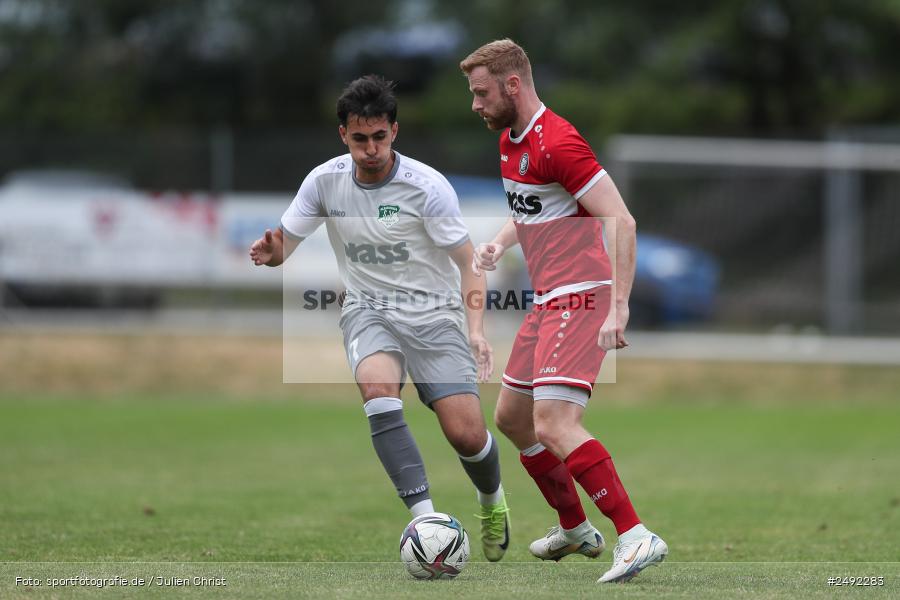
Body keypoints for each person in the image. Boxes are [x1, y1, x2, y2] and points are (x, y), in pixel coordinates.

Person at [249, 75, 510, 561]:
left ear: (395, 131)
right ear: (343, 135)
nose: (370, 149)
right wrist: (273, 252)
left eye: (379, 137)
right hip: (368, 310)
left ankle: (492, 502)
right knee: (377, 391)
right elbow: (284, 243)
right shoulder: (324, 181)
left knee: (466, 435)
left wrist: (476, 332)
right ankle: (427, 523)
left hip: (433, 315)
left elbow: (470, 263)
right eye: (359, 138)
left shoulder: (427, 187)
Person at [460, 40, 668, 583]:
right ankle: (575, 528)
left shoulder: (560, 140)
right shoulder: (510, 141)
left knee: (554, 421)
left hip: (582, 295)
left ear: (512, 85)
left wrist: (617, 306)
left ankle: (635, 535)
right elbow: (534, 208)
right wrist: (500, 243)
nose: (476, 105)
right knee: (511, 418)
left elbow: (620, 220)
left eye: (482, 93)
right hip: (547, 298)